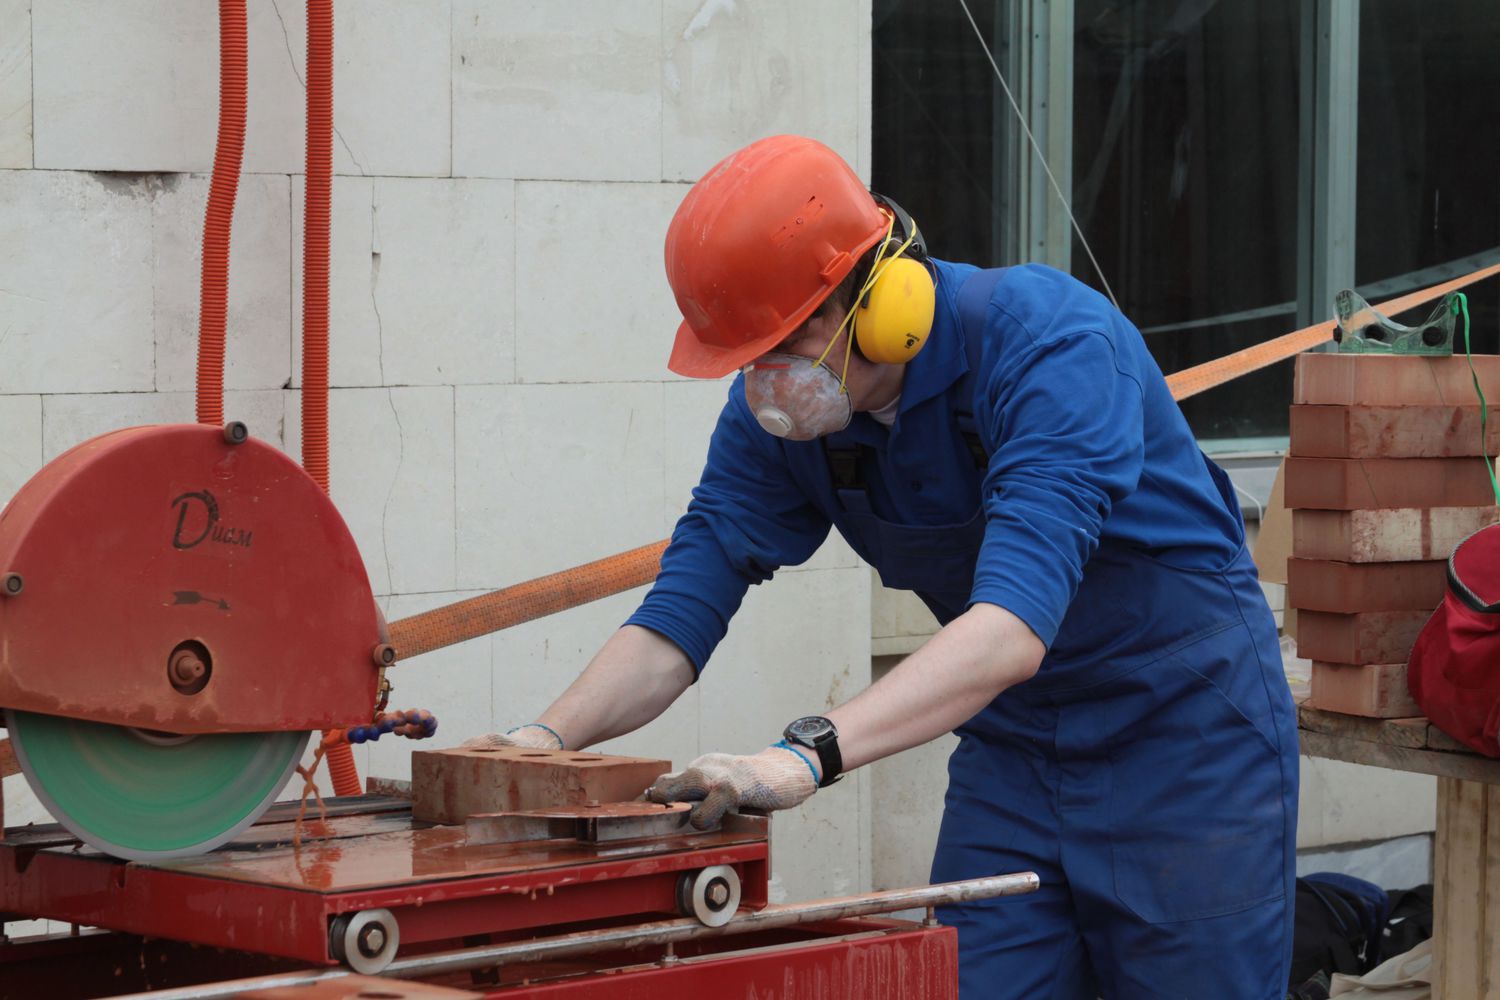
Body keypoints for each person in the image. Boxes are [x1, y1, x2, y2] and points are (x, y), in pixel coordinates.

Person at [468, 134, 1298, 998]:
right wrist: (541, 742)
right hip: (1016, 750)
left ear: (883, 295)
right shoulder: (782, 426)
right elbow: (680, 614)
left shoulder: (1049, 347)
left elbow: (1010, 630)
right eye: (751, 356)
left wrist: (803, 756)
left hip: (1185, 742)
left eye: (789, 339)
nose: (769, 380)